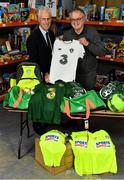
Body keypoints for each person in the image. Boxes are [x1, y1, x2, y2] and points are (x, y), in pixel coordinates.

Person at [63, 8, 106, 90]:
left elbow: (102, 52)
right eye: (73, 19)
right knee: (72, 99)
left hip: (88, 75)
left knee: (87, 99)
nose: (75, 22)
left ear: (84, 19)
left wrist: (87, 44)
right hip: (71, 74)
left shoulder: (92, 32)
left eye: (78, 19)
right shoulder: (67, 35)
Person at [26, 7, 55, 81]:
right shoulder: (32, 38)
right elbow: (34, 62)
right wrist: (44, 74)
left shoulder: (51, 34)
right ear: (38, 19)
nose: (46, 22)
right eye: (43, 19)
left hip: (52, 75)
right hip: (41, 77)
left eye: (48, 19)